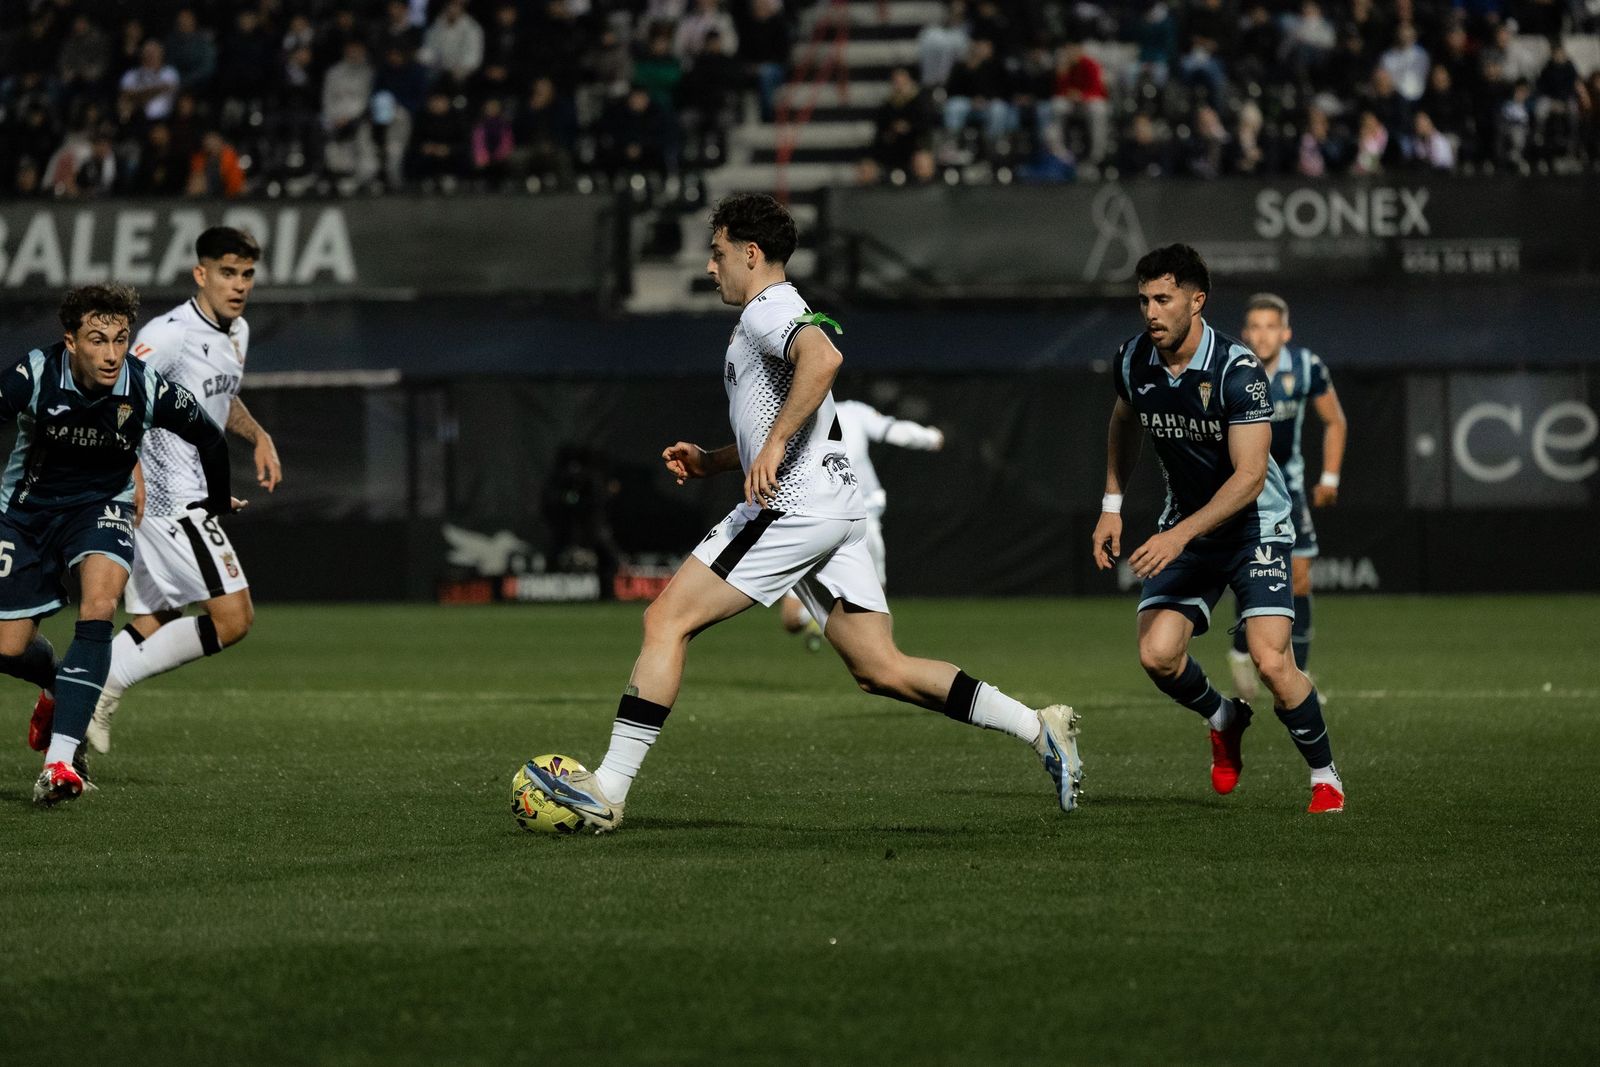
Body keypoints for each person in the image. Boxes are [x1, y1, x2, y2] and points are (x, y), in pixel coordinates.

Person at [525, 194, 1081, 832]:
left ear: (751, 254)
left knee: (665, 620)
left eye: (718, 253)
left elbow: (824, 359)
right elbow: (777, 416)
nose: (711, 268)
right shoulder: (768, 315)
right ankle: (1038, 728)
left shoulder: (771, 308)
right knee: (881, 668)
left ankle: (609, 790)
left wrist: (777, 444)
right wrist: (713, 460)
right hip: (835, 509)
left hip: (795, 506)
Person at [1090, 244, 1343, 814]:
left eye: (1163, 299)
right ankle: (1225, 717)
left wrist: (1178, 536)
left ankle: (1325, 775)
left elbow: (1251, 477)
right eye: (1143, 300)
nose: (1150, 312)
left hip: (1255, 527)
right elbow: (1123, 419)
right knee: (1157, 656)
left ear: (1196, 300)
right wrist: (1112, 504)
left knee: (1272, 661)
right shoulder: (1132, 360)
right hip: (1187, 525)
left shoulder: (1237, 369)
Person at [3, 283, 237, 804]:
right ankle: (59, 685)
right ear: (71, 342)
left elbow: (209, 437)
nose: (111, 354)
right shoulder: (34, 375)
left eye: (120, 339)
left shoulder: (144, 386)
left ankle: (60, 763)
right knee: (6, 646)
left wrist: (217, 500)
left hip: (101, 507)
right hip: (25, 515)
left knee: (101, 607)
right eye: (97, 340)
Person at [86, 228, 280, 755]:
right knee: (234, 620)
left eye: (246, 274)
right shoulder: (168, 334)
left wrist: (257, 434)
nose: (237, 284)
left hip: (190, 495)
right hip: (169, 500)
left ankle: (72, 701)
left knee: (158, 615)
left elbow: (220, 398)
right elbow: (116, 394)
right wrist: (133, 471)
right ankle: (105, 686)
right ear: (201, 274)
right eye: (226, 272)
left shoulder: (237, 332)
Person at [1226, 295, 1346, 699]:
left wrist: (1329, 476)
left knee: (1298, 576)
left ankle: (1303, 675)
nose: (1263, 335)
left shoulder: (1306, 366)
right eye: (1255, 327)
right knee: (1246, 573)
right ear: (1246, 334)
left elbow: (1334, 420)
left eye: (1271, 326)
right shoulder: (1230, 368)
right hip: (1240, 485)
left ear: (1286, 332)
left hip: (1288, 486)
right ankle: (1241, 651)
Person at [779, 398, 943, 649]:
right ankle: (832, 616)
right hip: (831, 519)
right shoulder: (804, 417)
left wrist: (929, 438)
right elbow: (898, 433)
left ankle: (878, 656)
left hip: (841, 520)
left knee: (874, 611)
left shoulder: (838, 413)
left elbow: (895, 432)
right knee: (795, 619)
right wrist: (932, 437)